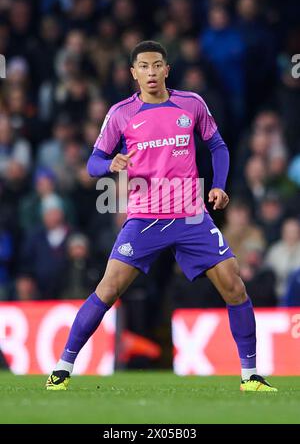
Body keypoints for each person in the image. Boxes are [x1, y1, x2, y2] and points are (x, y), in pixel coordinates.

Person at [46, 41, 277, 392]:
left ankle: (250, 376)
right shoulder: (121, 113)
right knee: (107, 291)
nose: (151, 73)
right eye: (144, 66)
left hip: (190, 214)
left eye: (157, 66)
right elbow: (93, 163)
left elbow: (218, 146)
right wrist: (111, 163)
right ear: (133, 73)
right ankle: (62, 368)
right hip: (145, 218)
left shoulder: (192, 104)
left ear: (167, 70)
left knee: (234, 285)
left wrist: (217, 185)